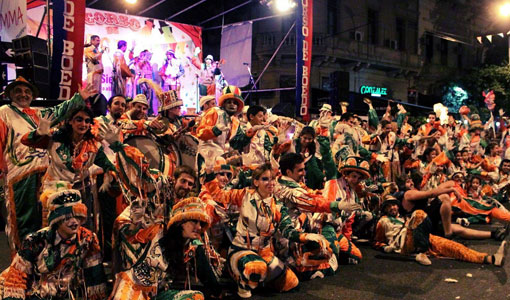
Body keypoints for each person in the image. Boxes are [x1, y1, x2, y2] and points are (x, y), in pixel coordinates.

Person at [204, 163, 331, 298]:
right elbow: (218, 195)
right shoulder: (244, 194)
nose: (270, 183)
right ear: (256, 182)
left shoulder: (276, 205)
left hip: (265, 252)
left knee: (291, 283)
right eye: (265, 179)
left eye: (272, 179)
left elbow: (287, 229)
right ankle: (241, 280)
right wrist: (210, 176)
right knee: (256, 268)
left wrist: (305, 237)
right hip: (241, 249)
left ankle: (258, 280)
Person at [0, 77, 96, 253]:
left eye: (27, 91)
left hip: (44, 174)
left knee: (44, 218)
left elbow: (59, 111)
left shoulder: (38, 113)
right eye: (19, 91)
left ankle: (40, 258)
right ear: (11, 94)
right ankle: (22, 259)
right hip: (20, 174)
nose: (23, 94)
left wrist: (78, 98)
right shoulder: (4, 111)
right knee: (23, 218)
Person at [0, 189, 107, 299]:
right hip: (30, 292)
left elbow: (95, 277)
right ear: (57, 220)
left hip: (59, 293)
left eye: (77, 217)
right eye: (67, 218)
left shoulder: (87, 239)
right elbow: (16, 279)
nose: (74, 222)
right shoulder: (36, 241)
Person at [374, 195, 507, 266]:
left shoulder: (403, 218)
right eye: (389, 206)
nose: (392, 208)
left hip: (424, 237)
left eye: (394, 205)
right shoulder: (383, 221)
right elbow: (377, 241)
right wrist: (385, 247)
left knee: (455, 247)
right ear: (385, 209)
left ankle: (490, 258)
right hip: (403, 244)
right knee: (419, 214)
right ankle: (419, 252)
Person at [196, 85, 244, 178]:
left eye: (235, 103)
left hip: (220, 158)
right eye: (229, 102)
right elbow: (200, 132)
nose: (232, 105)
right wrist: (215, 130)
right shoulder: (214, 112)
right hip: (206, 155)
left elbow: (236, 142)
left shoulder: (234, 121)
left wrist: (250, 134)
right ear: (223, 103)